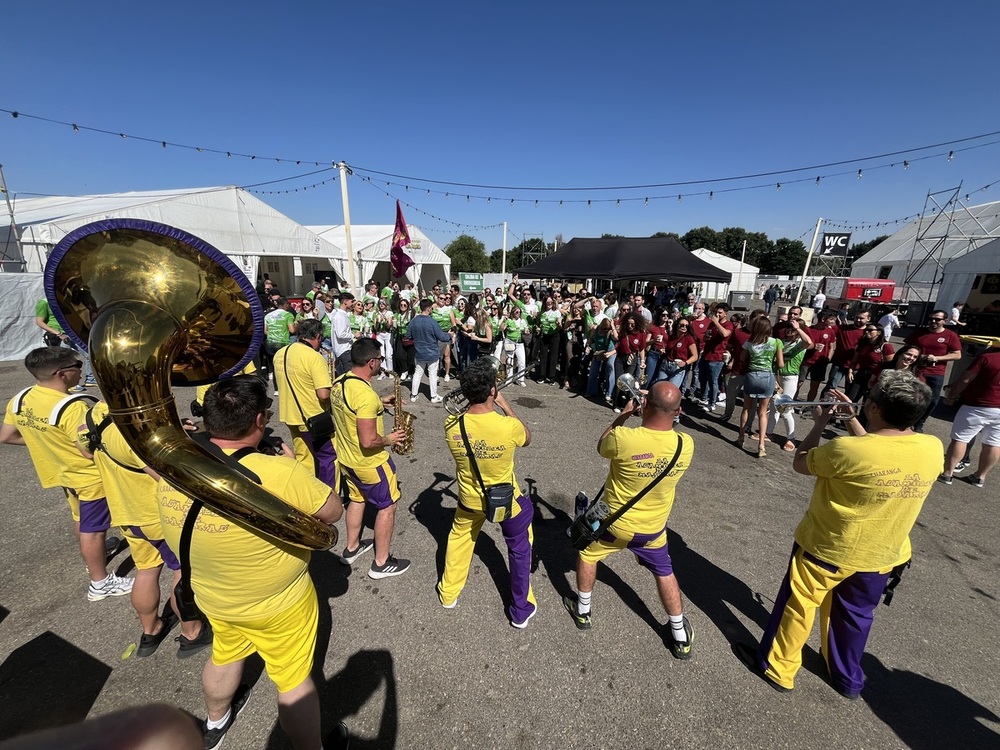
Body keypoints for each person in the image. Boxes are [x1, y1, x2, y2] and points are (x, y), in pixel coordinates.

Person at [157, 376, 343, 750]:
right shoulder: (278, 471)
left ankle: (215, 722)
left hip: (212, 594)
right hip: (278, 603)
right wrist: (295, 468)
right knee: (293, 681)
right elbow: (333, 511)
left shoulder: (174, 464)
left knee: (224, 654)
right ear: (260, 421)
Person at [740, 370, 940, 699]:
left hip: (828, 548)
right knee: (855, 618)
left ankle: (778, 668)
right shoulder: (931, 448)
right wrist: (850, 419)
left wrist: (819, 423)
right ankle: (847, 678)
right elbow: (881, 450)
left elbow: (801, 462)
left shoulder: (847, 449)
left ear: (874, 408)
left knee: (798, 608)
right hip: (882, 555)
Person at [563, 381, 696, 660]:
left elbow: (602, 445)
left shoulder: (625, 438)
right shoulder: (686, 444)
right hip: (653, 529)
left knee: (587, 554)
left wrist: (624, 413)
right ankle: (680, 636)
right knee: (664, 571)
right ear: (678, 411)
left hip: (615, 524)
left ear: (645, 405)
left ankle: (583, 611)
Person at [78, 399, 211, 657]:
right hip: (156, 514)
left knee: (147, 570)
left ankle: (150, 631)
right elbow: (165, 475)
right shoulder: (136, 425)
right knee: (181, 572)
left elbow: (86, 451)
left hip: (125, 510)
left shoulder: (94, 413)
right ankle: (192, 631)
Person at [1, 347, 133, 601]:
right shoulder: (73, 408)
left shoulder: (21, 399)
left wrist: (46, 443)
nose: (81, 373)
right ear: (62, 373)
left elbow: (6, 436)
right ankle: (99, 582)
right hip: (90, 478)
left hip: (62, 474)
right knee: (94, 529)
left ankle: (94, 556)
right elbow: (87, 451)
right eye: (78, 368)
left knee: (81, 519)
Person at [436, 359, 536, 627]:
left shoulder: (451, 425)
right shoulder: (508, 426)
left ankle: (448, 594)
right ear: (493, 389)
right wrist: (505, 405)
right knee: (519, 548)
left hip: (469, 499)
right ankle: (520, 609)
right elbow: (527, 437)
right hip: (506, 501)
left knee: (459, 540)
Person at [332, 338, 411, 579]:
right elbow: (368, 440)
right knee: (388, 507)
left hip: (346, 459)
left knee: (357, 499)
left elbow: (352, 407)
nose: (382, 364)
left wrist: (380, 401)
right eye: (380, 360)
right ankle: (381, 562)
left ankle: (352, 548)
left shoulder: (340, 381)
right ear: (372, 362)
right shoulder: (364, 396)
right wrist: (391, 439)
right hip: (370, 462)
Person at [273, 318, 338, 489]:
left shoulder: (280, 353)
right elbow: (324, 394)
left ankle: (306, 492)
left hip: (290, 414)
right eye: (321, 339)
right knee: (329, 457)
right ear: (317, 336)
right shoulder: (314, 357)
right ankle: (328, 496)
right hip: (312, 417)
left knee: (304, 456)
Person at [939, 344, 1000, 487]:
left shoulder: (988, 356)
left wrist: (952, 396)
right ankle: (980, 477)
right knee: (994, 444)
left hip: (978, 405)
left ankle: (948, 473)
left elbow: (966, 378)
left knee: (960, 439)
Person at [904, 310, 962, 432]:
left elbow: (957, 355)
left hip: (936, 373)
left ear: (944, 321)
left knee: (933, 400)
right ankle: (908, 421)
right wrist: (916, 356)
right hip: (917, 370)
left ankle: (920, 422)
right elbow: (907, 346)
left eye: (937, 319)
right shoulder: (920, 333)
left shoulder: (950, 335)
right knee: (913, 398)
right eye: (931, 319)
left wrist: (937, 358)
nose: (933, 321)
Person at [737, 317, 785, 457]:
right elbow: (781, 365)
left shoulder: (750, 342)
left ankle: (741, 437)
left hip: (752, 376)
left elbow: (741, 358)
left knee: (746, 408)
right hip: (767, 376)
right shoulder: (776, 342)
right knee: (763, 412)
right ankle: (761, 445)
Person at [768, 318, 813, 452]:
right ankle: (768, 433)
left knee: (785, 409)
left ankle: (791, 438)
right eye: (788, 327)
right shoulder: (782, 342)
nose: (789, 330)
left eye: (792, 329)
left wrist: (798, 328)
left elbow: (809, 342)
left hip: (790, 377)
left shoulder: (800, 343)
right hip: (777, 376)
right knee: (773, 406)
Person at [408, 298, 452, 404]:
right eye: (431, 308)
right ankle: (433, 397)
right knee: (432, 374)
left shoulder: (414, 321)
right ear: (428, 308)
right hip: (432, 352)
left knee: (417, 373)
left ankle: (413, 395)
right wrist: (450, 335)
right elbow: (442, 337)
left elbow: (408, 335)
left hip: (419, 352)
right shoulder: (432, 322)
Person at [696, 304, 733, 412]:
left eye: (720, 313)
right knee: (702, 378)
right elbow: (706, 335)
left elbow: (725, 334)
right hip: (706, 354)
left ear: (726, 313)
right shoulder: (712, 324)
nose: (717, 314)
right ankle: (705, 397)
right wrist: (706, 338)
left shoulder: (728, 325)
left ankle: (712, 403)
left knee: (713, 381)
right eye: (716, 312)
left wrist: (716, 322)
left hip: (717, 357)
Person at [826, 310, 871, 392]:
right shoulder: (843, 329)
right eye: (856, 317)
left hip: (856, 368)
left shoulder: (869, 333)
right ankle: (823, 404)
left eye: (861, 318)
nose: (858, 320)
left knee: (850, 391)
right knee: (830, 388)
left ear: (868, 319)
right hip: (839, 364)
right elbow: (826, 329)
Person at [262, 298, 298, 392]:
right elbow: (292, 330)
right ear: (285, 304)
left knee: (274, 366)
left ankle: (276, 389)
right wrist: (297, 325)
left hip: (270, 343)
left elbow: (265, 331)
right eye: (288, 304)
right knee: (284, 366)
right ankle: (286, 387)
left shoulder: (268, 315)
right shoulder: (288, 315)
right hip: (283, 343)